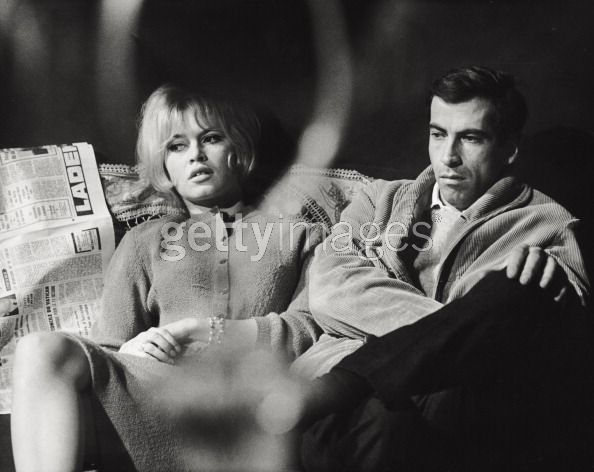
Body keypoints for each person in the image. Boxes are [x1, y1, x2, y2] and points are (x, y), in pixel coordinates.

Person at [10, 85, 324, 472]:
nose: (195, 154)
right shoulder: (145, 241)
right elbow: (109, 347)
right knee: (39, 350)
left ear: (238, 148)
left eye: (211, 138)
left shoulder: (297, 234)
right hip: (157, 400)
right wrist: (134, 350)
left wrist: (213, 331)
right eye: (177, 146)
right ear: (165, 167)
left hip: (254, 402)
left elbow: (313, 326)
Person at [292, 66, 591, 470]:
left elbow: (565, 331)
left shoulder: (547, 222)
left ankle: (346, 385)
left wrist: (509, 295)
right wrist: (467, 321)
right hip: (332, 398)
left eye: (471, 138)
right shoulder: (377, 199)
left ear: (510, 147)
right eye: (438, 134)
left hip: (443, 408)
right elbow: (330, 289)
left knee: (520, 291)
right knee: (382, 420)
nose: (448, 157)